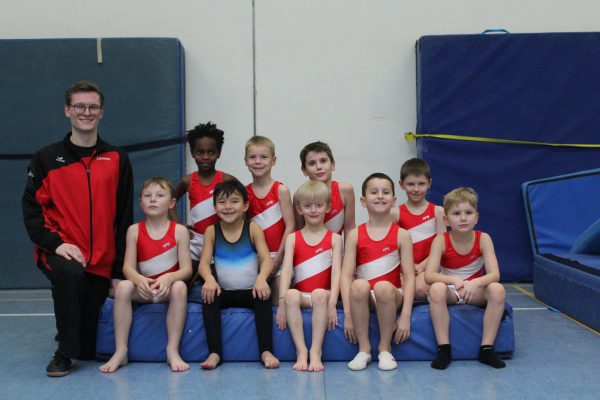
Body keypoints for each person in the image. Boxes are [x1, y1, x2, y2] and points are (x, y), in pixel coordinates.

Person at [22, 80, 133, 377]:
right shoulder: (46, 158)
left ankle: (71, 334)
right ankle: (63, 354)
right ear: (67, 110)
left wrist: (118, 271)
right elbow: (32, 211)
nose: (86, 112)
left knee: (88, 348)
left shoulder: (118, 159)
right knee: (69, 274)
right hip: (61, 250)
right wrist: (56, 245)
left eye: (93, 107)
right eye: (80, 106)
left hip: (101, 259)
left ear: (102, 112)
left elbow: (124, 217)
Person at [99, 177, 192, 373]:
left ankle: (172, 350)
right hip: (145, 290)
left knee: (180, 287)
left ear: (172, 203)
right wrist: (139, 280)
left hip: (167, 289)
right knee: (123, 286)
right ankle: (121, 350)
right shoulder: (134, 231)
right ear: (141, 203)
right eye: (147, 196)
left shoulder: (180, 231)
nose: (153, 199)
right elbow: (127, 268)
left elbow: (186, 270)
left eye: (159, 195)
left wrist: (169, 278)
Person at [198, 180, 279, 369]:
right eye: (222, 202)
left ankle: (266, 350)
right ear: (215, 207)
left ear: (245, 206)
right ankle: (214, 352)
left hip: (251, 290)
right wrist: (209, 279)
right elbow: (203, 263)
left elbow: (266, 259)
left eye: (234, 201)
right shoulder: (212, 231)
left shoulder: (252, 228)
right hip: (224, 292)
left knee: (264, 297)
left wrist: (261, 278)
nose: (228, 207)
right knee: (208, 297)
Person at [424, 187, 506, 370]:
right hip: (452, 291)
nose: (463, 218)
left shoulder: (483, 238)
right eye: (456, 213)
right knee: (436, 288)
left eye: (468, 213)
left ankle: (486, 349)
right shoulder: (441, 240)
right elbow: (429, 275)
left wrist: (475, 283)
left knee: (497, 289)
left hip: (474, 291)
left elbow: (495, 274)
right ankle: (444, 349)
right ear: (446, 220)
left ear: (476, 217)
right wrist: (454, 281)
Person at [341, 173, 415, 371]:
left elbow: (409, 277)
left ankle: (385, 348)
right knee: (358, 284)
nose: (380, 196)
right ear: (363, 201)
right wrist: (348, 314)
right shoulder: (355, 234)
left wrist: (405, 316)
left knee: (382, 287)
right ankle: (364, 349)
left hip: (392, 294)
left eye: (385, 192)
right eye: (374, 192)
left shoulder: (402, 235)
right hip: (366, 296)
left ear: (394, 200)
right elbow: (346, 276)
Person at [276, 181, 342, 372]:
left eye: (319, 205)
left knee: (319, 293)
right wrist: (281, 302)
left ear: (328, 207)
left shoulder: (335, 239)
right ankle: (301, 351)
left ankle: (315, 350)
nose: (313, 210)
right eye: (307, 206)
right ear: (299, 209)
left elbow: (336, 273)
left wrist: (332, 303)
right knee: (290, 295)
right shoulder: (293, 238)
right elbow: (286, 270)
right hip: (303, 295)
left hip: (323, 295)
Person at [172, 122, 235, 270]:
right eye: (200, 152)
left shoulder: (226, 179)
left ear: (219, 153)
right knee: (185, 278)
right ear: (192, 153)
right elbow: (170, 202)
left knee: (215, 280)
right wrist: (177, 224)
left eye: (211, 152)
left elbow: (244, 204)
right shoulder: (187, 181)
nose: (205, 157)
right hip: (194, 242)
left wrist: (232, 231)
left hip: (219, 242)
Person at [244, 136, 295, 304]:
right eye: (252, 157)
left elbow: (290, 227)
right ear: (245, 161)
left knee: (280, 302)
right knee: (259, 304)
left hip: (280, 256)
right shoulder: (244, 193)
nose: (258, 161)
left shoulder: (281, 190)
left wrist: (278, 259)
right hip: (256, 260)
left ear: (273, 160)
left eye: (264, 157)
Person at [391, 158, 445, 300]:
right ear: (401, 184)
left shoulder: (438, 211)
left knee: (419, 289)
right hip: (403, 267)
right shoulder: (395, 213)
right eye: (410, 184)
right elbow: (392, 247)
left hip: (429, 267)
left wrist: (422, 266)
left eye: (421, 184)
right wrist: (406, 267)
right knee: (399, 289)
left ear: (429, 183)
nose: (416, 189)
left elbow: (442, 247)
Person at [298, 141, 355, 238]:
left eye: (323, 161)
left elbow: (349, 228)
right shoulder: (299, 195)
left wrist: (348, 249)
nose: (319, 167)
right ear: (304, 170)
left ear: (332, 164)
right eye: (312, 163)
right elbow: (298, 230)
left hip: (337, 247)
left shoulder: (345, 190)